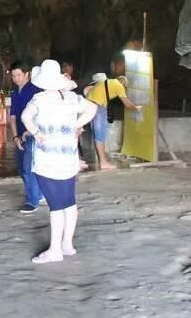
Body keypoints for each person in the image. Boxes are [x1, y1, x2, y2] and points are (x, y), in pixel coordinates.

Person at [21, 59, 98, 264]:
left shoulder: (39, 99)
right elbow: (92, 109)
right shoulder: (73, 98)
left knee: (56, 206)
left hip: (48, 160)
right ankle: (67, 244)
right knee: (69, 202)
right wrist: (77, 124)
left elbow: (25, 117)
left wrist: (36, 133)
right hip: (68, 159)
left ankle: (55, 250)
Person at [84, 72, 142, 170]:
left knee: (97, 135)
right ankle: (103, 163)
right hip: (98, 106)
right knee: (100, 135)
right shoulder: (119, 86)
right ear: (124, 83)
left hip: (88, 104)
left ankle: (101, 161)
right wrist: (137, 108)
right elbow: (127, 104)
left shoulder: (109, 82)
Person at [9, 60, 43, 214]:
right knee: (22, 168)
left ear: (27, 74)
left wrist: (31, 131)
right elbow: (13, 117)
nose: (16, 78)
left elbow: (41, 114)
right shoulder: (15, 92)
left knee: (29, 168)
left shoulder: (36, 91)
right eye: (13, 75)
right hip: (20, 135)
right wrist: (15, 136)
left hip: (33, 134)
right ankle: (39, 194)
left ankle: (32, 201)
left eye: (19, 75)